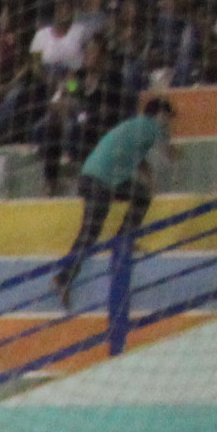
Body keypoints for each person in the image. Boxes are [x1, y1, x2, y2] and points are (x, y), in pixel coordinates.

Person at [52, 95, 173, 309]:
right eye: (168, 118)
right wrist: (180, 150)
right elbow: (170, 154)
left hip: (92, 175)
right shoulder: (154, 126)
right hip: (103, 181)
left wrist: (149, 177)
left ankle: (124, 240)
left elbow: (136, 155)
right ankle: (63, 278)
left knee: (141, 196)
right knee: (90, 233)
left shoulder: (134, 126)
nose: (170, 122)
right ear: (160, 115)